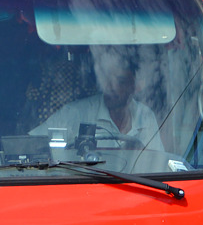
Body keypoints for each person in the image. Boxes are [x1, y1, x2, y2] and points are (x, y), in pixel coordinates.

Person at [30, 46, 161, 152]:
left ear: (134, 86)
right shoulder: (75, 113)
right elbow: (32, 143)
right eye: (107, 80)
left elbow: (157, 163)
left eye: (120, 82)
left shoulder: (145, 116)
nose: (111, 87)